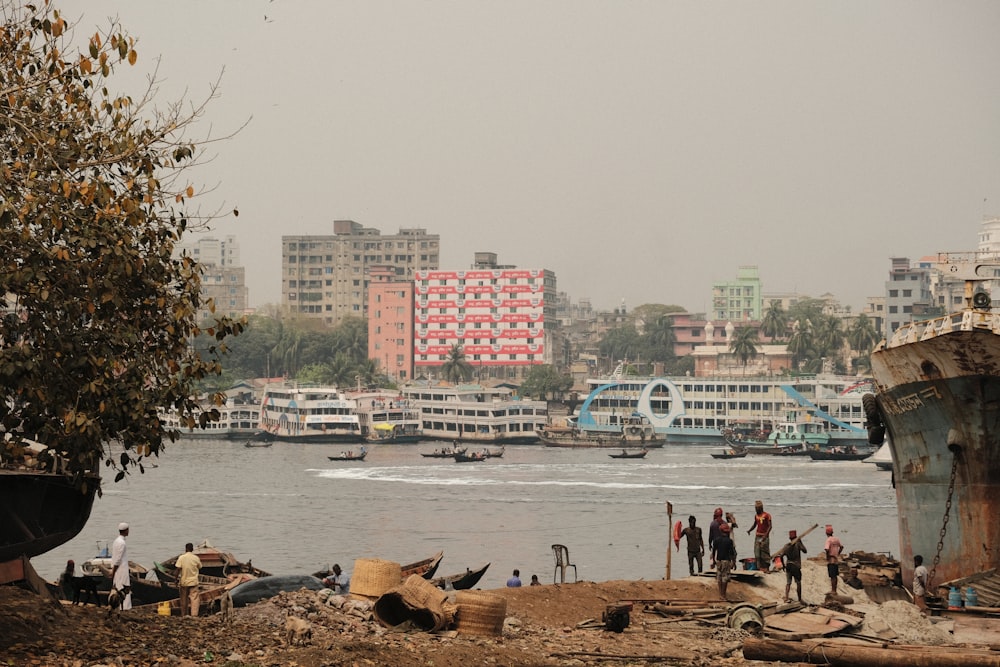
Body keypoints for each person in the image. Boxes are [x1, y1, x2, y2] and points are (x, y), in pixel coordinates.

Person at [711, 522, 737, 601]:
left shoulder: (716, 540)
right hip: (726, 561)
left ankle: (720, 594)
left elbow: (713, 551)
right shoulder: (729, 541)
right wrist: (734, 562)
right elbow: (732, 553)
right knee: (725, 578)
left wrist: (714, 560)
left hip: (718, 560)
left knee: (719, 576)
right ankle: (724, 594)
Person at [175, 542, 202, 616]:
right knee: (195, 600)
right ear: (192, 549)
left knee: (184, 600)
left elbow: (177, 569)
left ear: (185, 549)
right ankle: (194, 615)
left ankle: (184, 614)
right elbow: (200, 567)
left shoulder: (181, 557)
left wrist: (175, 579)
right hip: (194, 582)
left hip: (184, 582)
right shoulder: (196, 558)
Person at [780, 529, 807, 602]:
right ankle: (799, 599)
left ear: (789, 538)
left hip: (788, 565)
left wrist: (783, 565)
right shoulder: (798, 545)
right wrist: (800, 542)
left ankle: (786, 597)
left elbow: (781, 556)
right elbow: (805, 551)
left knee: (788, 583)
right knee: (798, 583)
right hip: (796, 565)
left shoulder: (786, 546)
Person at [110, 522, 132, 610]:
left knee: (118, 587)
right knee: (123, 588)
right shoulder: (121, 543)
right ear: (126, 531)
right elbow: (118, 559)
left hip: (118, 568)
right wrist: (114, 571)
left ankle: (118, 605)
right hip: (121, 569)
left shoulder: (116, 541)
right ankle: (124, 607)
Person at [746, 500, 772, 574]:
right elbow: (755, 524)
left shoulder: (767, 515)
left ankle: (766, 568)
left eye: (757, 508)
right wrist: (749, 530)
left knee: (765, 553)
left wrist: (765, 535)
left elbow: (770, 526)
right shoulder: (756, 516)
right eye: (755, 508)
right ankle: (759, 567)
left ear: (760, 508)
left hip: (764, 537)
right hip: (757, 536)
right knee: (757, 553)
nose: (756, 510)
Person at [823, 524, 844, 596]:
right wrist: (838, 554)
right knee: (835, 575)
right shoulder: (836, 539)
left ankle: (833, 590)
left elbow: (826, 549)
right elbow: (841, 547)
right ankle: (834, 590)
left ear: (826, 533)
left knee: (832, 576)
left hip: (831, 560)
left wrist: (827, 557)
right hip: (836, 560)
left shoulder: (828, 540)